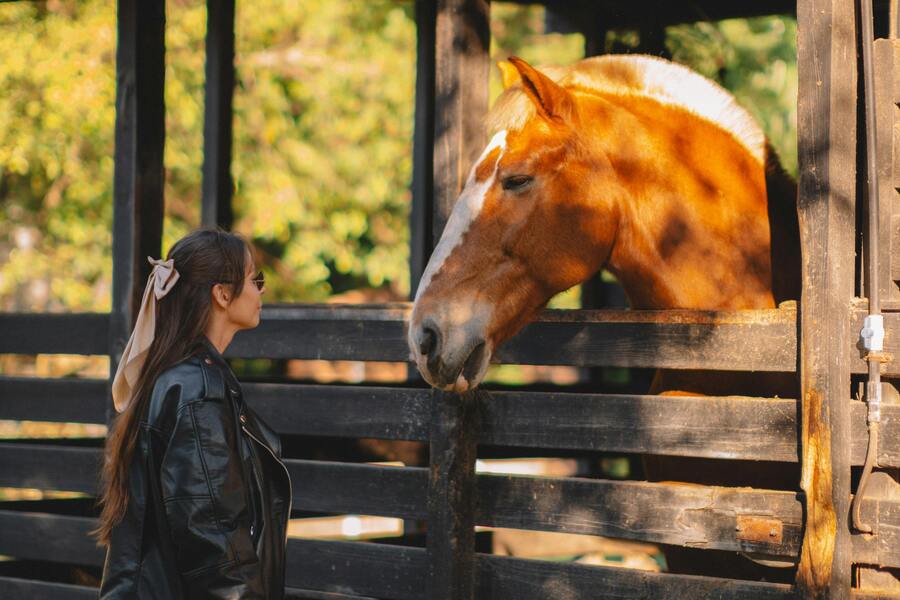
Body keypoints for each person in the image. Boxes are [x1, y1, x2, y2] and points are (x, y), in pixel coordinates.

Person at [94, 228, 291, 599]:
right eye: (255, 279)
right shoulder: (197, 388)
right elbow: (214, 539)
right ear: (222, 294)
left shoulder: (176, 376)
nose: (260, 291)